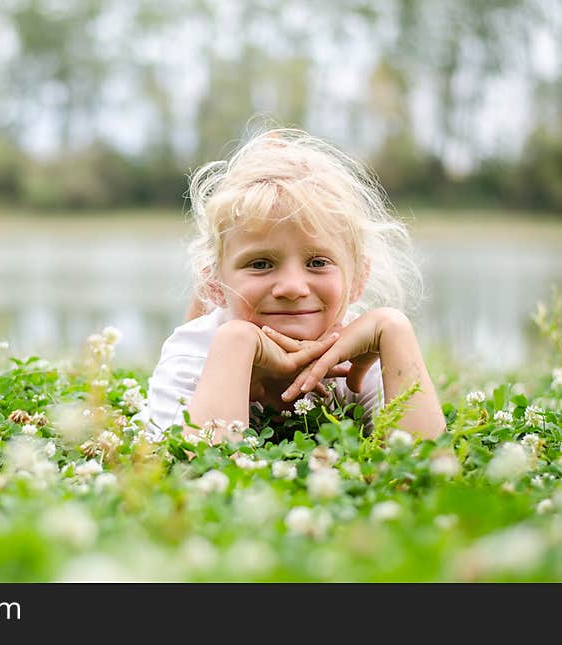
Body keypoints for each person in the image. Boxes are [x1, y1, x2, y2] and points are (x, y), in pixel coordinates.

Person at [142, 127, 445, 444]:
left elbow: (425, 467)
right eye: (260, 264)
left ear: (357, 281)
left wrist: (394, 329)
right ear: (214, 285)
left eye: (317, 262)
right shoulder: (193, 353)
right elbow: (195, 470)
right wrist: (237, 343)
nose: (291, 288)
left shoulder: (364, 353)